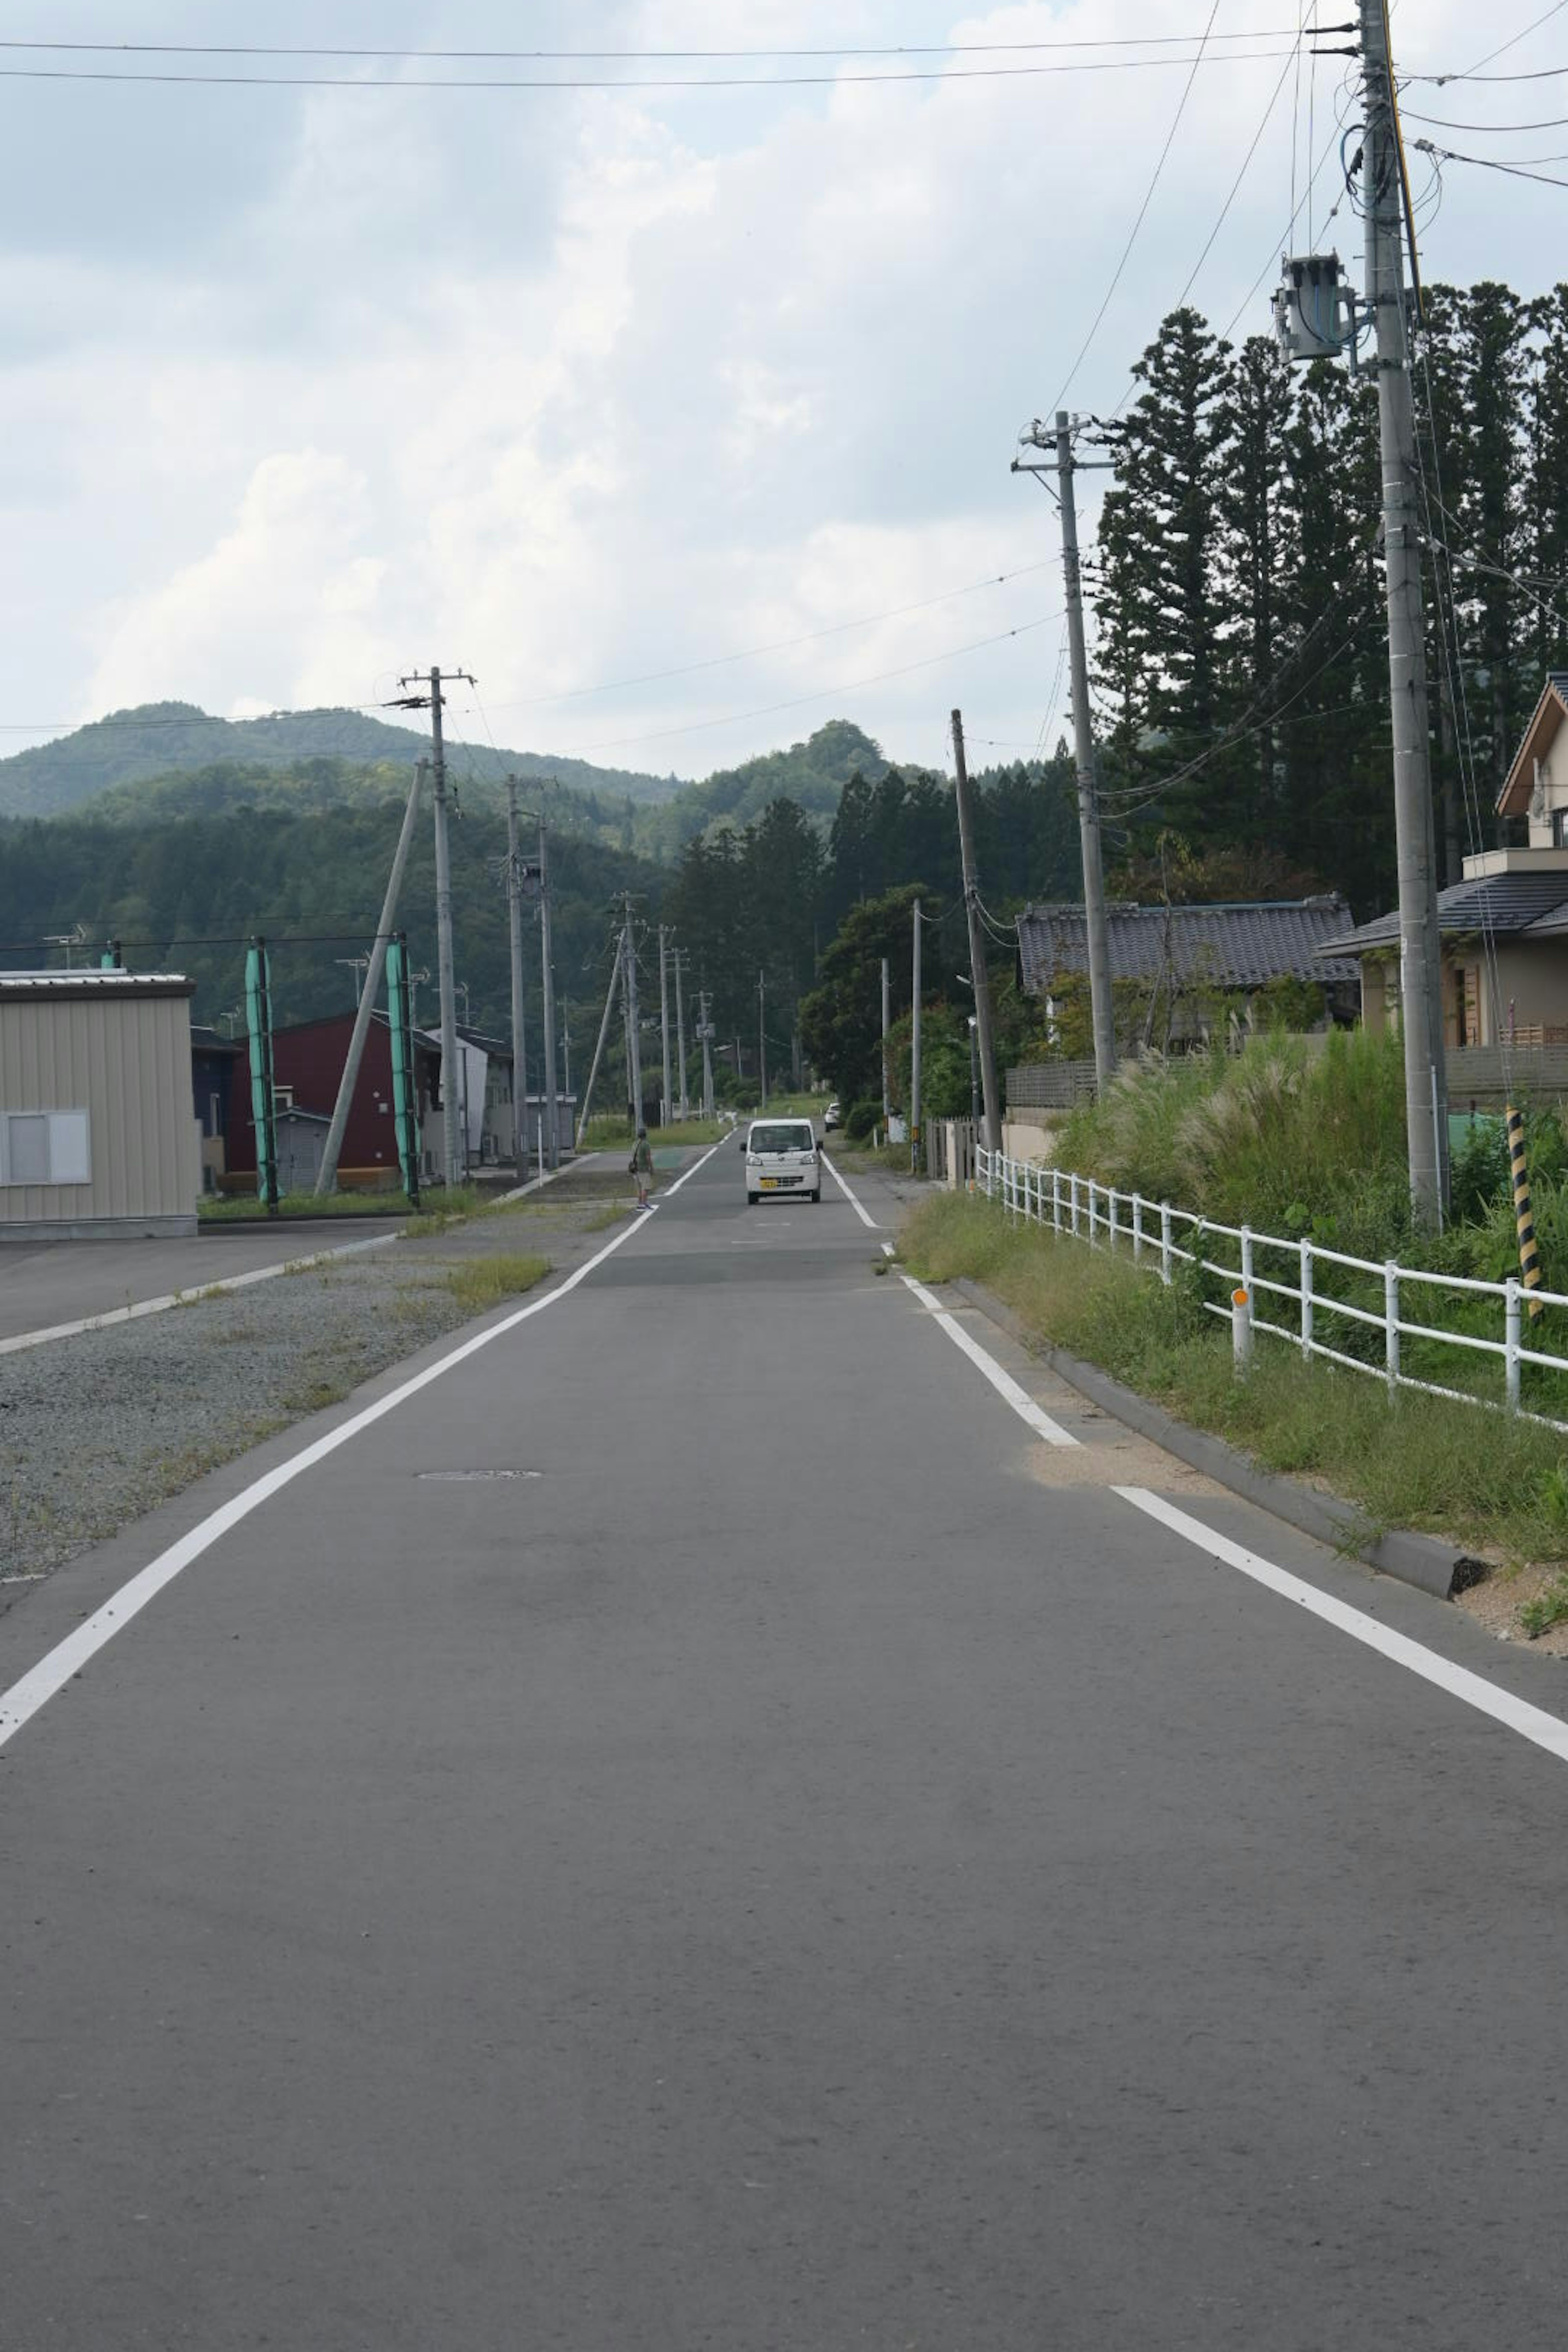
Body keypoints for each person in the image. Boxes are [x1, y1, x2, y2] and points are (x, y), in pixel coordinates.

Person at [630, 1123, 654, 1209]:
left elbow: (633, 1156)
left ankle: (640, 1203)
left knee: (639, 1187)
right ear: (645, 1135)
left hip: (635, 1169)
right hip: (643, 1169)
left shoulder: (635, 1144)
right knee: (646, 1187)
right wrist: (651, 1168)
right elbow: (648, 1158)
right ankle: (644, 1204)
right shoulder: (646, 1144)